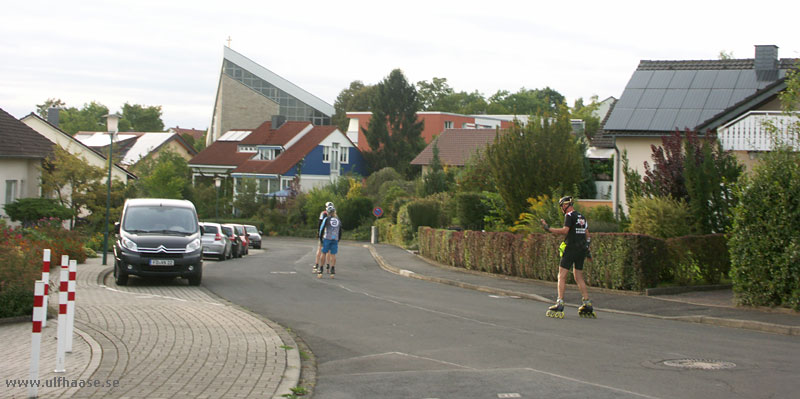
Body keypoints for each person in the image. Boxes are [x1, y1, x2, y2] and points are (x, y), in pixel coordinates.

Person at [540, 196, 595, 318]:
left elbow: (565, 231)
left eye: (561, 206)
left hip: (570, 249)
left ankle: (559, 302)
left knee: (562, 275)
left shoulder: (569, 216)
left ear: (565, 205)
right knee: (578, 276)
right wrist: (587, 250)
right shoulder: (581, 216)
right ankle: (587, 303)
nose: (561, 209)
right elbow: (587, 234)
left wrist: (549, 229)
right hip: (581, 250)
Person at [318, 205, 342, 279]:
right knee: (333, 254)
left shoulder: (326, 219)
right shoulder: (338, 220)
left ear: (328, 212)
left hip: (327, 238)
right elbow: (340, 230)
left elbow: (322, 229)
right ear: (334, 212)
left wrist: (320, 238)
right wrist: (338, 239)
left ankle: (321, 268)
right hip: (335, 239)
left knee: (324, 253)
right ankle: (332, 269)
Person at [314, 201, 334, 273]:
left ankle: (317, 264)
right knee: (328, 251)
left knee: (320, 249)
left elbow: (320, 224)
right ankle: (328, 265)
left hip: (323, 234)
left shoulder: (323, 213)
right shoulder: (334, 215)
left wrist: (318, 233)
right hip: (331, 234)